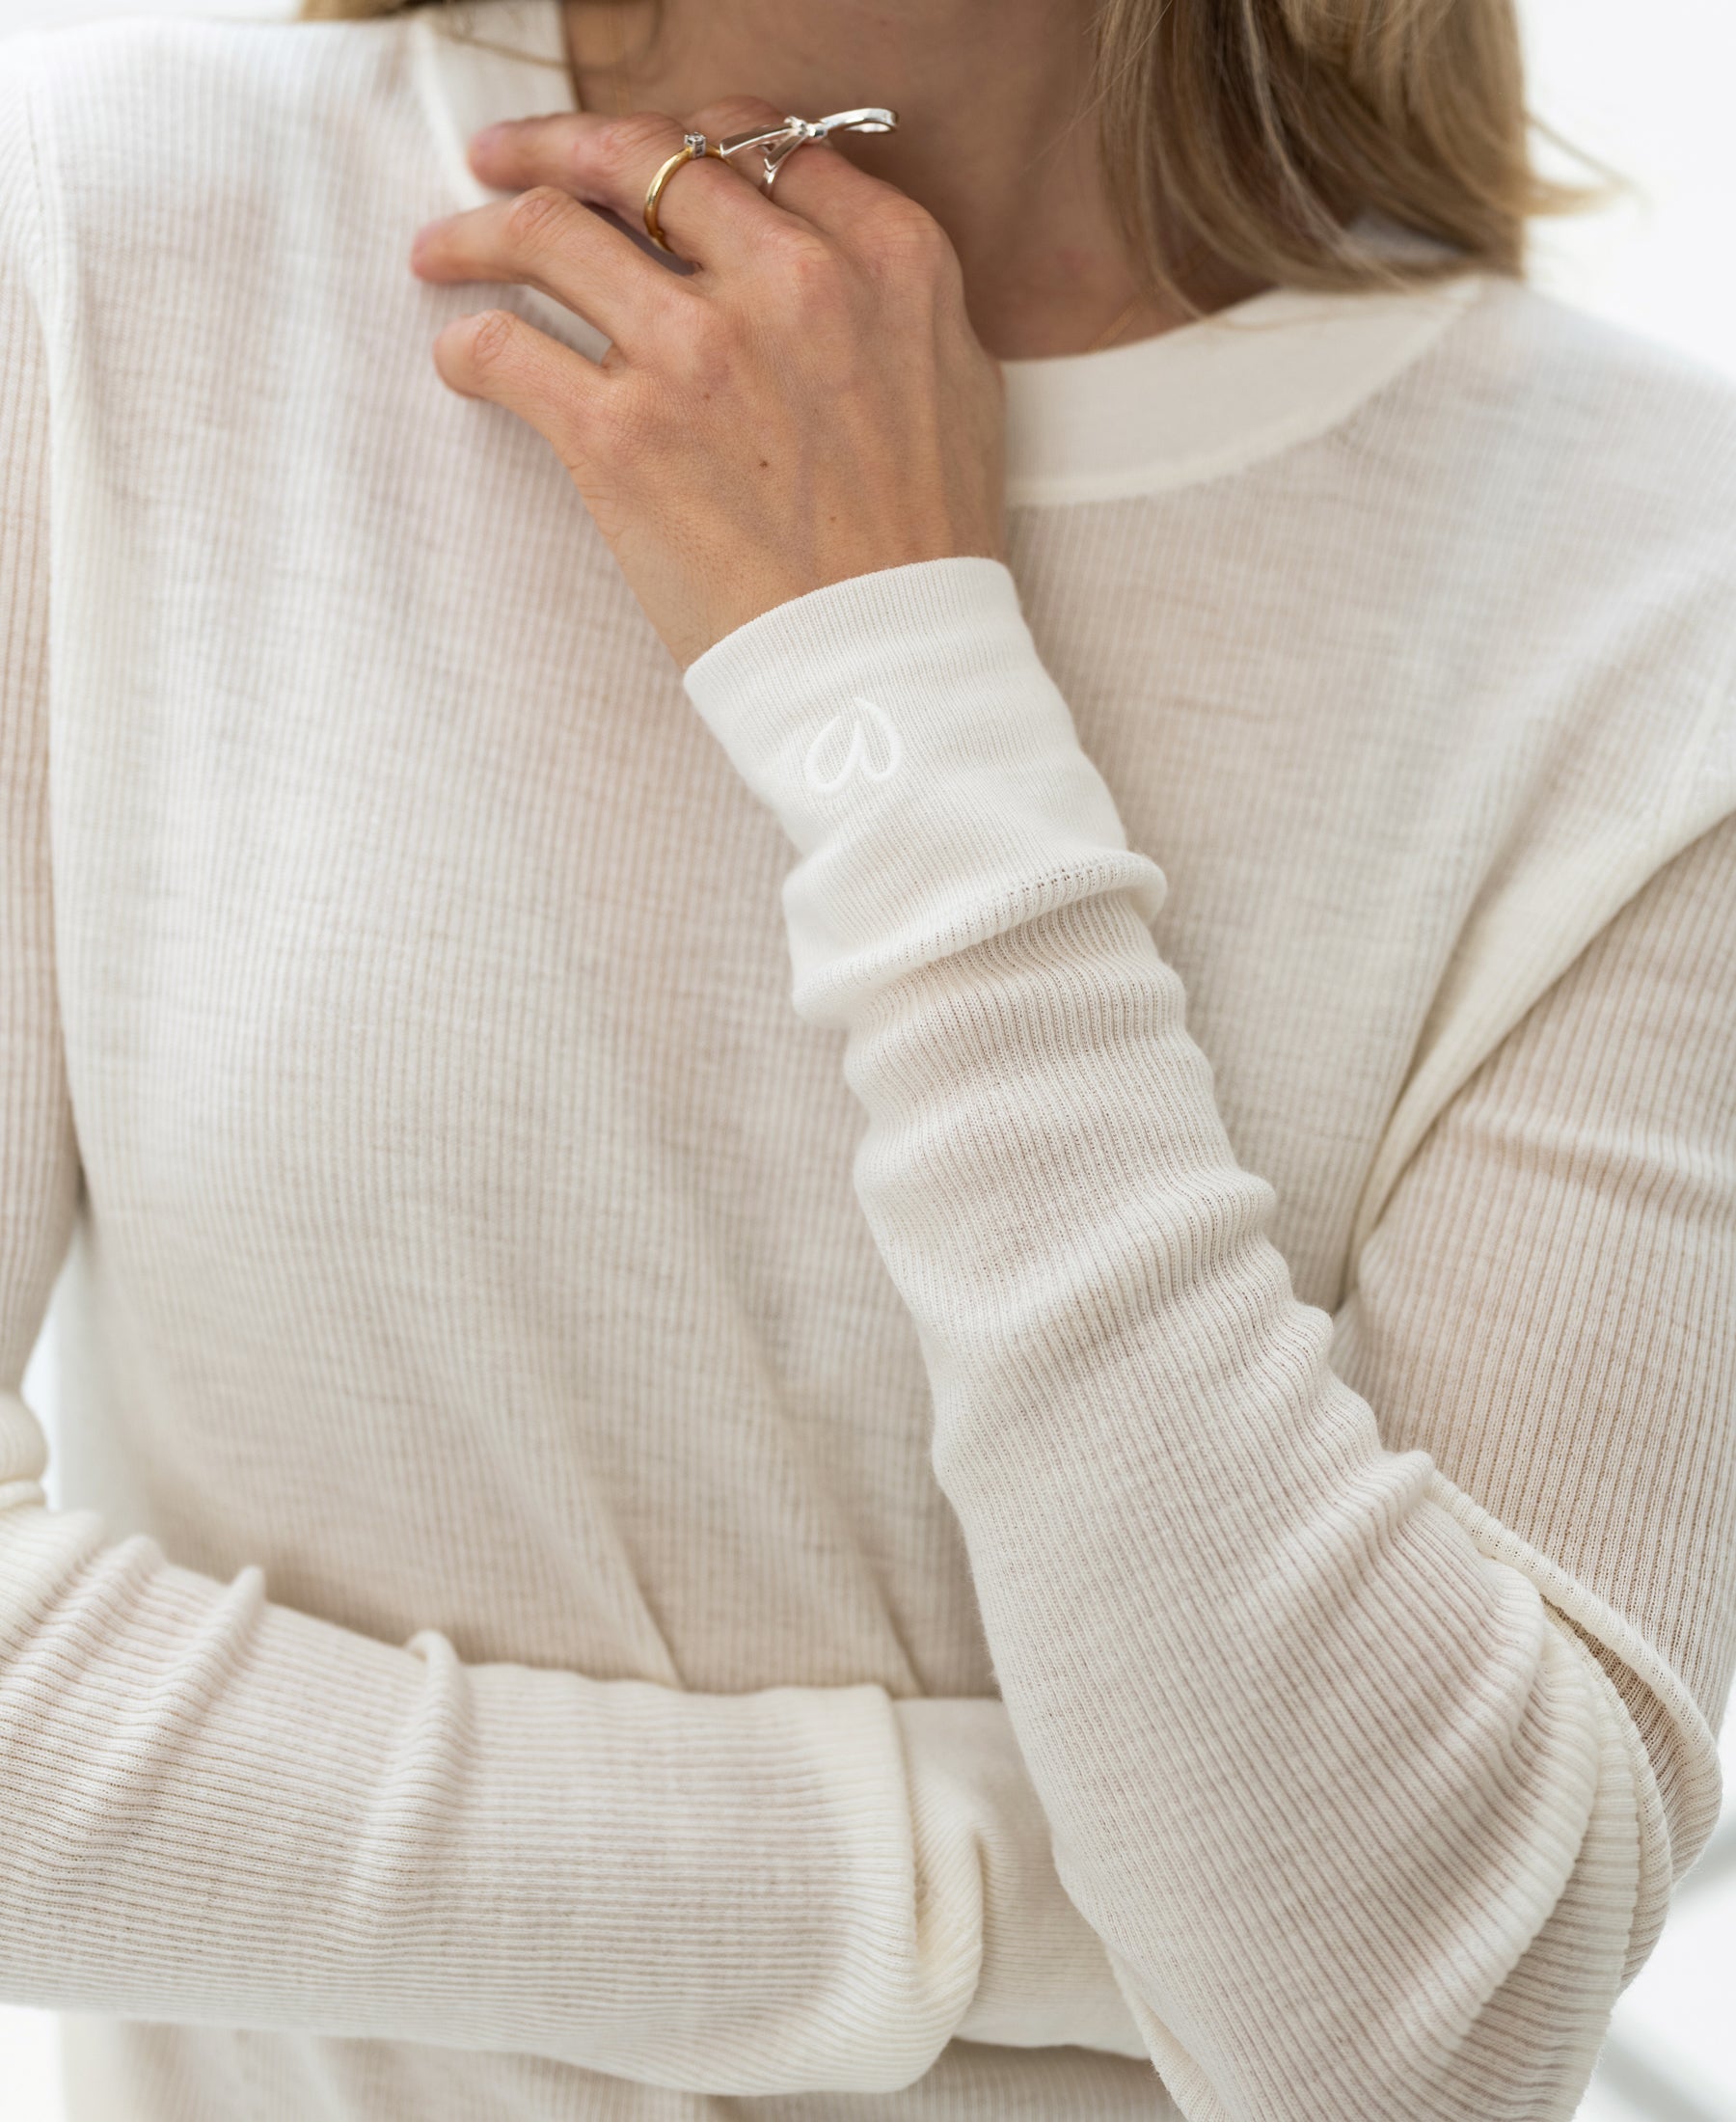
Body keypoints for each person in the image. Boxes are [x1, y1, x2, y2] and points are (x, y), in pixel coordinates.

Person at [0, 0, 1731, 2116]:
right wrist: (991, 1887)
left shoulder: (1655, 597)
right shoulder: (102, 244)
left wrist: (897, 690)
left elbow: (1422, 2028)